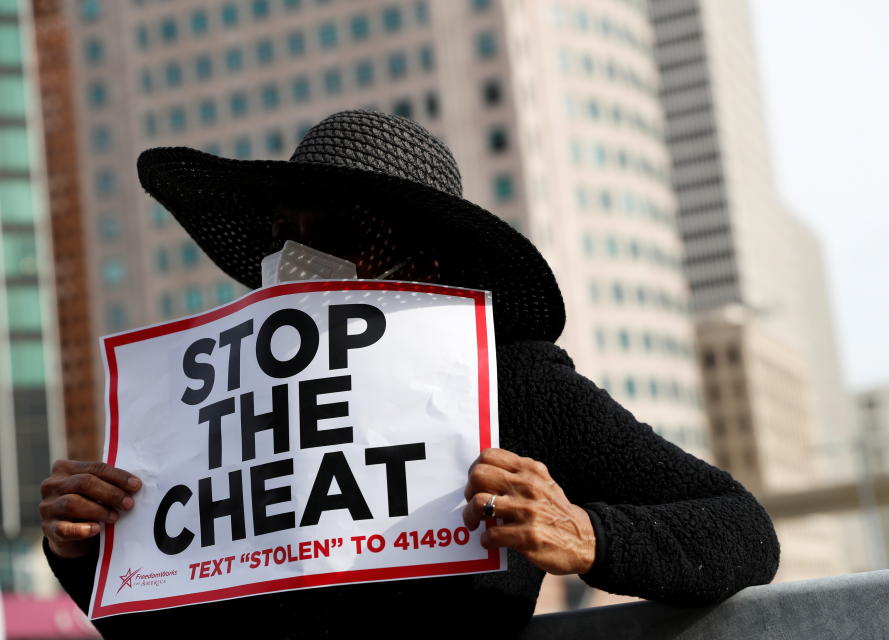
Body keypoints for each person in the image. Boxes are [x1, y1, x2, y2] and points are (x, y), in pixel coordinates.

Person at [40, 110, 779, 638]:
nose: (295, 257)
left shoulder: (504, 382)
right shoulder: (220, 406)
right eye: (284, 235)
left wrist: (588, 535)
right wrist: (87, 549)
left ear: (427, 259)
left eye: (335, 234)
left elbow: (742, 532)